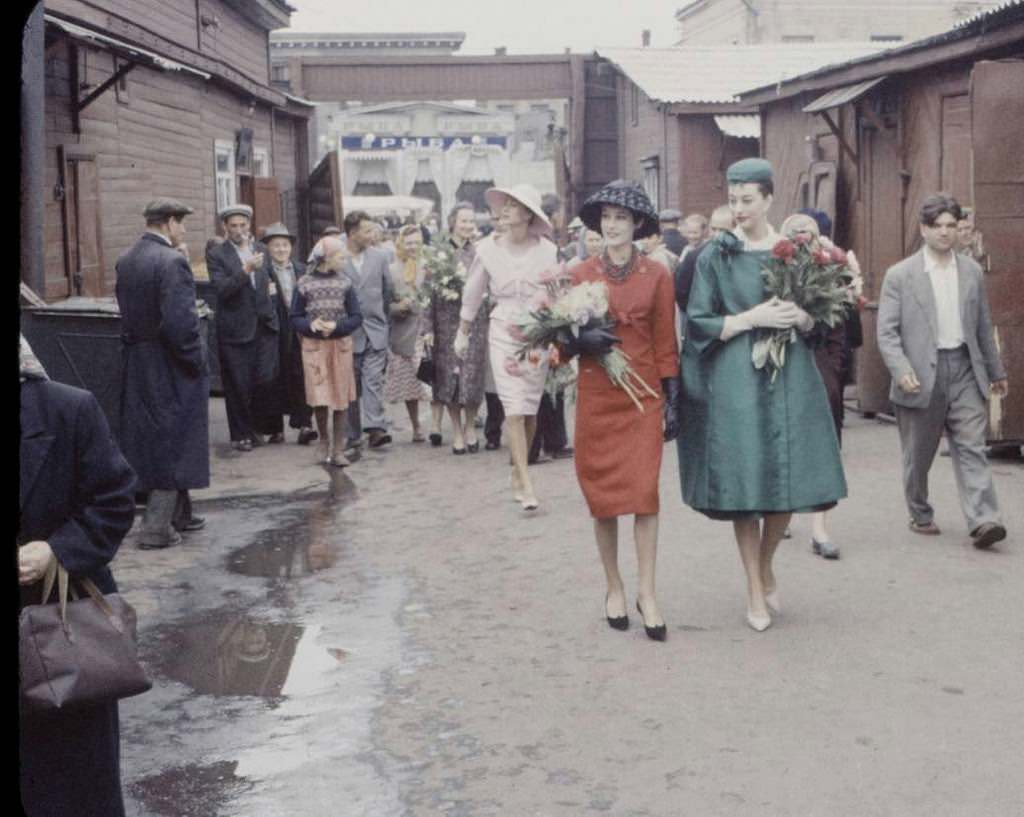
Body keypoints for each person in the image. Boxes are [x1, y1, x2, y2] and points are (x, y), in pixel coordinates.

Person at [677, 158, 847, 632]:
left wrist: (804, 319)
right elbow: (697, 320)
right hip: (737, 377)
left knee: (785, 480)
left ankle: (767, 562)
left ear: (769, 199)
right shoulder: (716, 254)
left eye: (747, 200)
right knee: (745, 482)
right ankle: (753, 585)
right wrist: (751, 319)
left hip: (789, 373)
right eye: (732, 201)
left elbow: (823, 318)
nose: (739, 210)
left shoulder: (793, 253)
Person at [20, 338, 137, 816]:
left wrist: (57, 550)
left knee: (70, 787)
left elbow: (114, 499)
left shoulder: (68, 409)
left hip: (61, 637)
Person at [570, 181, 680, 641]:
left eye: (622, 217)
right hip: (598, 393)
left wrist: (673, 395)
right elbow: (560, 337)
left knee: (644, 495)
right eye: (607, 217)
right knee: (604, 497)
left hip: (643, 395)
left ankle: (648, 592)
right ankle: (614, 586)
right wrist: (579, 339)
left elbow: (664, 338)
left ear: (638, 225)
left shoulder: (657, 273)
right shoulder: (581, 274)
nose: (612, 225)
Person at [877, 193, 1008, 549]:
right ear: (924, 229)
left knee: (972, 446)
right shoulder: (900, 276)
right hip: (920, 373)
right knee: (918, 455)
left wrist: (995, 371)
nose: (946, 233)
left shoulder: (971, 271)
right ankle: (919, 511)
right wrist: (901, 369)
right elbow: (886, 332)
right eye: (938, 226)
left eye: (952, 225)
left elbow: (982, 324)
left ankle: (984, 519)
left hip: (965, 368)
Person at [115, 198, 209, 549]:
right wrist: (196, 360)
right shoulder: (172, 262)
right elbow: (181, 326)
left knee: (157, 435)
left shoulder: (126, 260)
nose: (183, 230)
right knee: (174, 438)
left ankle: (181, 515)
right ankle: (156, 527)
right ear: (168, 222)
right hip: (169, 361)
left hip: (138, 360)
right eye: (181, 223)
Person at [457, 183, 557, 509]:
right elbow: (473, 292)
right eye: (505, 204)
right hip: (502, 329)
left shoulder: (547, 251)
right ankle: (526, 484)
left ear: (528, 214)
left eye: (514, 205)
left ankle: (518, 469)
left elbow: (556, 295)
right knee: (513, 407)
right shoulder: (487, 249)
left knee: (529, 407)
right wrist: (463, 331)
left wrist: (559, 327)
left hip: (536, 331)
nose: (506, 210)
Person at [779, 212, 851, 560]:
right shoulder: (775, 268)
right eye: (794, 233)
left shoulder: (833, 269)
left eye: (807, 232)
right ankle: (782, 512)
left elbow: (840, 325)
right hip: (784, 357)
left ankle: (821, 529)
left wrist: (834, 372)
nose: (801, 238)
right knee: (785, 436)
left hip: (823, 357)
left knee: (824, 438)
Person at [206, 204, 281, 452]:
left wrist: (271, 312)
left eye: (243, 225)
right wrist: (245, 269)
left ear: (249, 225)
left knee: (265, 378)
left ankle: (259, 427)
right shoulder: (217, 254)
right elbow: (222, 290)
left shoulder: (260, 249)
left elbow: (270, 281)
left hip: (263, 325)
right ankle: (241, 435)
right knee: (238, 384)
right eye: (234, 226)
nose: (239, 230)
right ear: (225, 227)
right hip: (235, 329)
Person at [291, 235, 364, 466]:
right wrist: (310, 326)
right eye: (340, 256)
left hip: (340, 346)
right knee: (320, 396)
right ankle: (323, 441)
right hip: (315, 347)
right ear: (327, 258)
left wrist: (337, 327)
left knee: (341, 398)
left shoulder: (345, 283)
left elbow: (356, 316)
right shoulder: (304, 283)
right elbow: (295, 316)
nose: (344, 260)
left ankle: (339, 448)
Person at [426, 202, 489, 453]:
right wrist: (427, 327)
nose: (467, 226)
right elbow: (427, 293)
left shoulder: (481, 252)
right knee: (449, 378)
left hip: (475, 322)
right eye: (463, 221)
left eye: (471, 221)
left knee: (472, 376)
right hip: (445, 322)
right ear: (452, 221)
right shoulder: (437, 252)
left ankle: (471, 425)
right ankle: (456, 431)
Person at [342, 209, 394, 450]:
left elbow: (387, 291)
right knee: (351, 384)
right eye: (367, 231)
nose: (372, 235)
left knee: (373, 380)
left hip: (375, 330)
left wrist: (381, 319)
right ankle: (352, 432)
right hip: (348, 332)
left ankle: (375, 428)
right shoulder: (336, 255)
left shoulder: (380, 257)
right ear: (353, 233)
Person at [260, 222, 317, 445]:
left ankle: (304, 424)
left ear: (291, 247)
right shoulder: (262, 272)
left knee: (302, 375)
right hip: (273, 329)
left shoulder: (303, 270)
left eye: (284, 245)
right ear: (268, 248)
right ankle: (275, 429)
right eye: (276, 246)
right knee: (273, 378)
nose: (281, 250)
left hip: (299, 329)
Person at [385, 224, 431, 441]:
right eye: (408, 242)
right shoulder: (392, 270)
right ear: (400, 243)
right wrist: (398, 307)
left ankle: (438, 423)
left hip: (428, 330)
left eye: (416, 242)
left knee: (435, 377)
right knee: (409, 383)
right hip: (404, 332)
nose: (413, 246)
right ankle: (416, 426)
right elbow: (385, 304)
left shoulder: (430, 265)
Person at [673, 206, 735, 346]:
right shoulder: (694, 257)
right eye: (714, 229)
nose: (717, 235)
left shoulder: (742, 257)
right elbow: (681, 292)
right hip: (703, 331)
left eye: (724, 230)